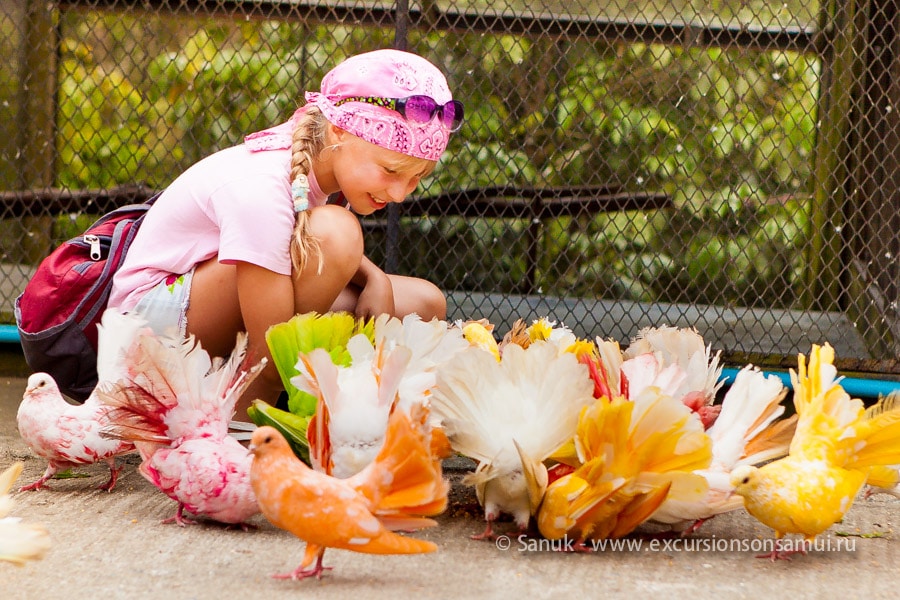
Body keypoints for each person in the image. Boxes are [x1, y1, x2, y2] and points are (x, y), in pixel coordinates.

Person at [108, 49, 464, 417]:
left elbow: (296, 247)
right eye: (390, 171)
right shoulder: (263, 182)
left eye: (417, 178)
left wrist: (376, 279)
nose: (399, 194)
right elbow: (271, 346)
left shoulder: (322, 168)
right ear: (338, 130)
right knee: (337, 234)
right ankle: (235, 421)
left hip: (214, 315)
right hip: (147, 338)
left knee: (422, 304)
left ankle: (316, 399)